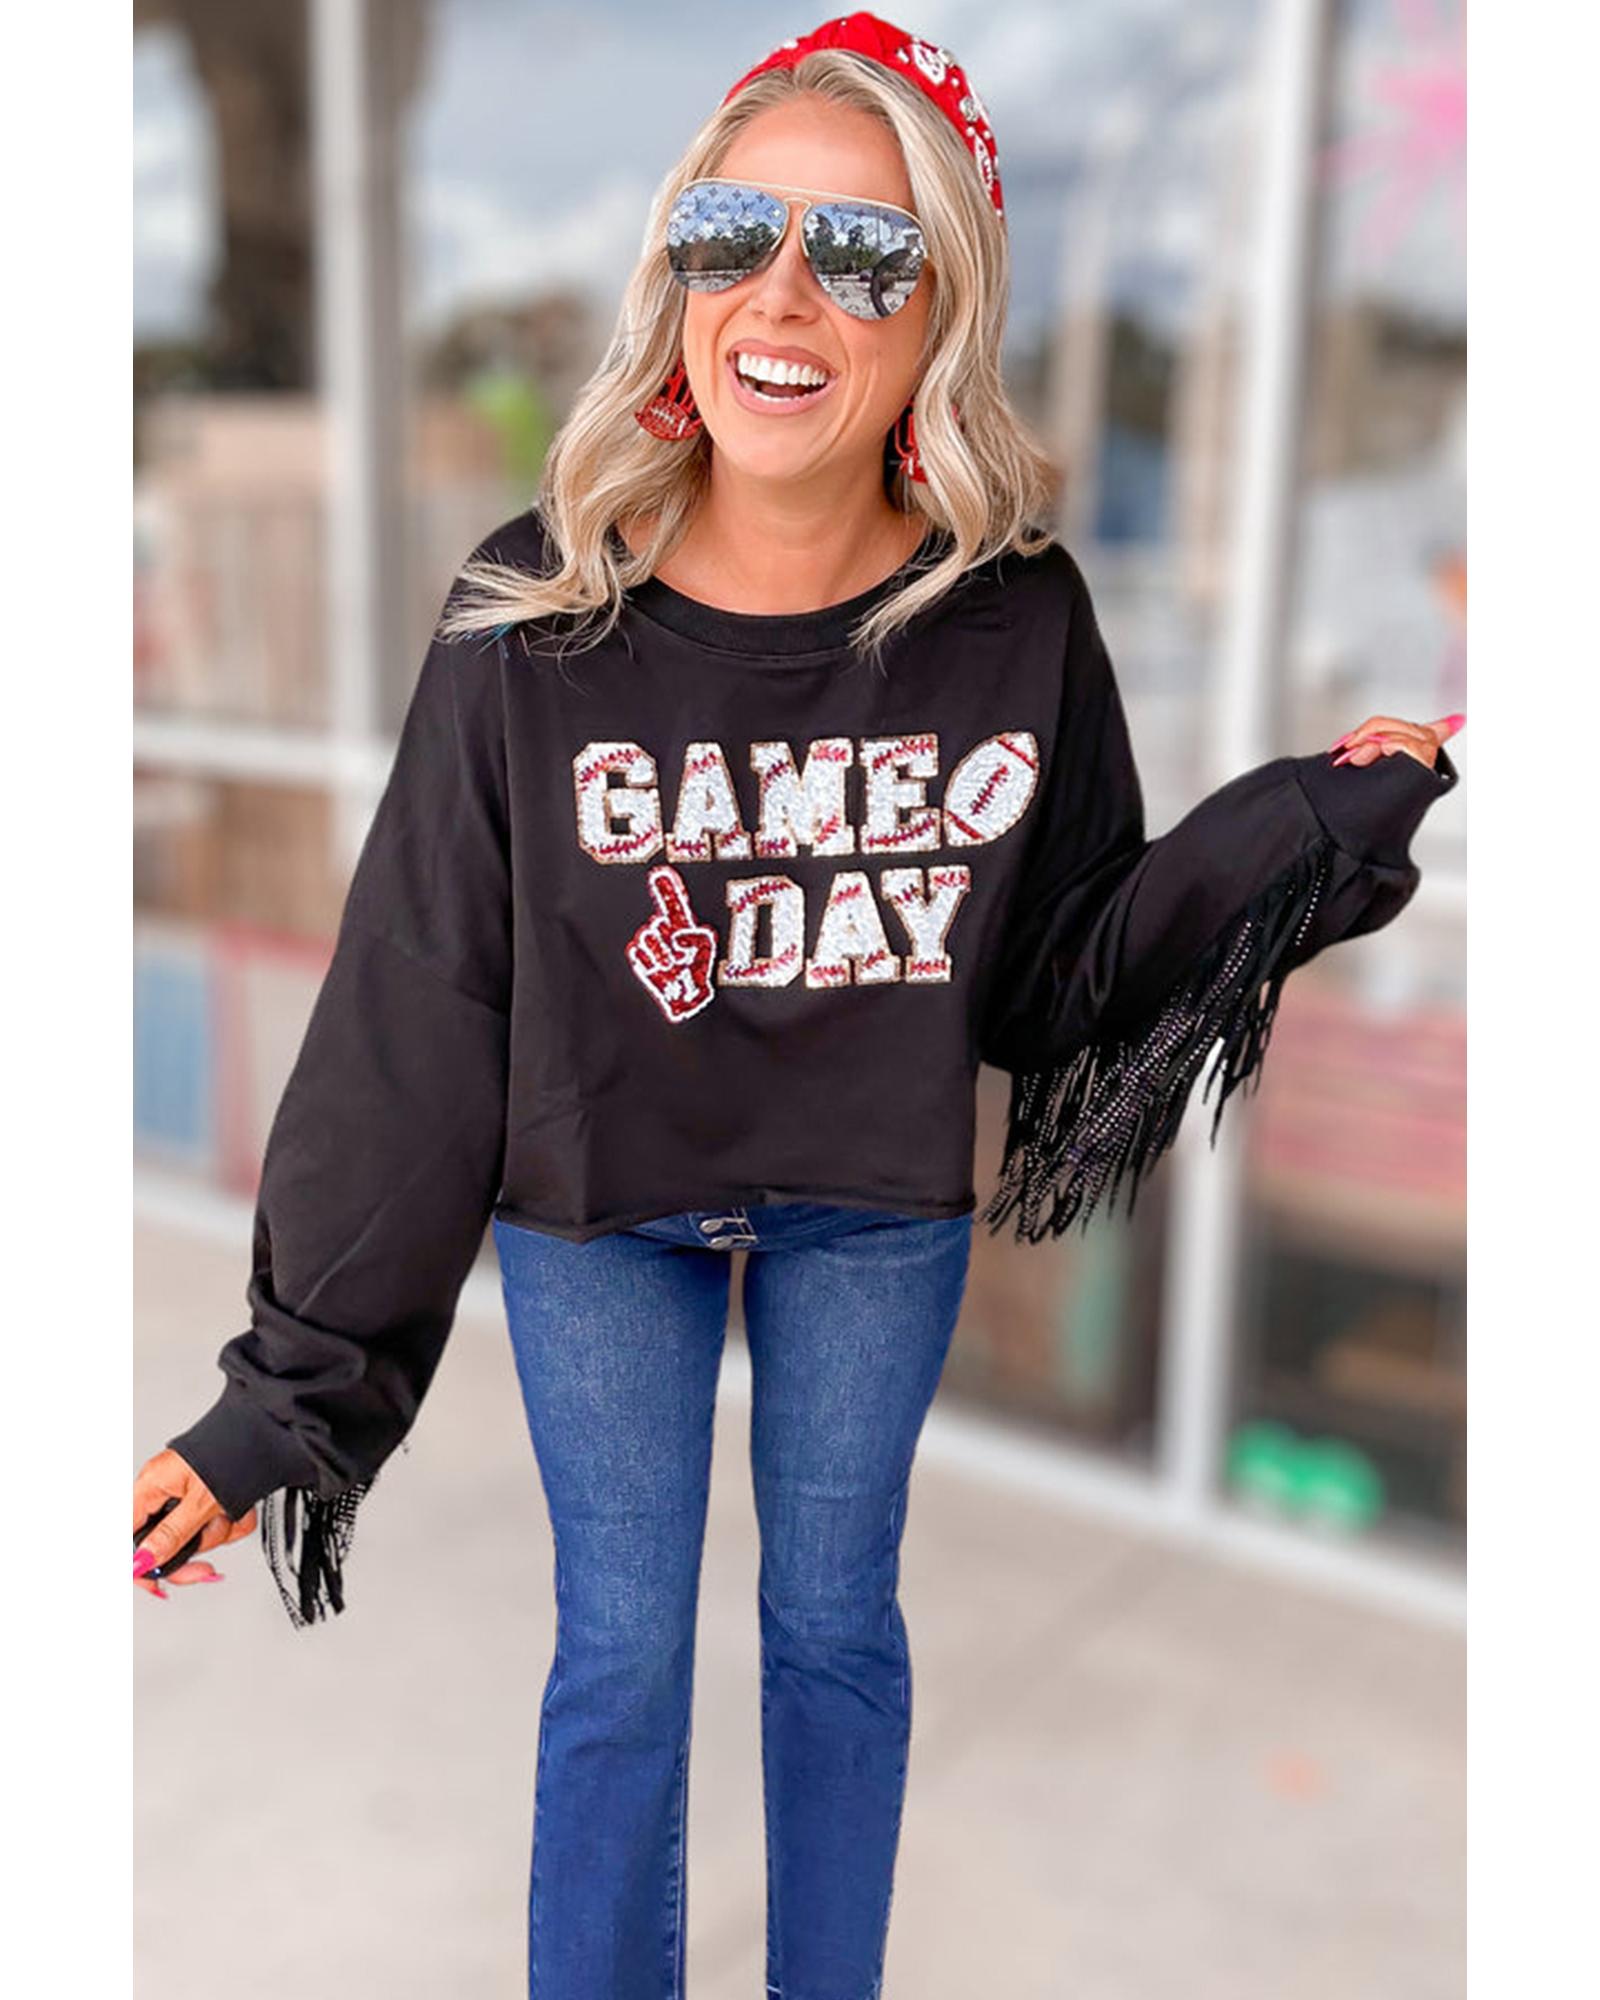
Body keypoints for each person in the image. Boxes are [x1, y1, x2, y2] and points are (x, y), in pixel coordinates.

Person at [132, 13, 1462, 1996]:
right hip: (599, 1203)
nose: (780, 294)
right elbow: (417, 1010)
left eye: (858, 253)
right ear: (671, 276)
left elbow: (1063, 970)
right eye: (729, 233)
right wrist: (283, 1403)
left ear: (940, 318)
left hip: (869, 1204)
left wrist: (1300, 827)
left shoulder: (1013, 620)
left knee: (837, 1637)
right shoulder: (535, 617)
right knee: (618, 1662)